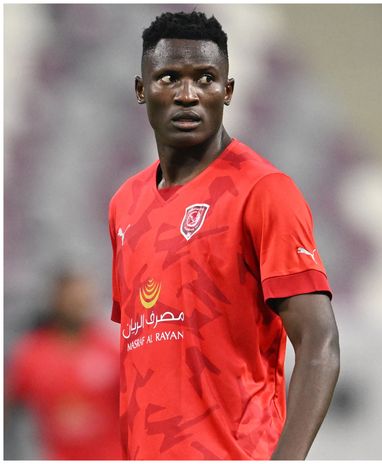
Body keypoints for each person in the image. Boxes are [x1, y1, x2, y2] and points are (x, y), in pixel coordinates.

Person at [109, 11, 339, 459]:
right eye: (169, 77)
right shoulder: (123, 204)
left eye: (206, 79)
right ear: (141, 90)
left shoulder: (265, 191)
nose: (188, 95)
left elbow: (319, 343)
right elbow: (142, 351)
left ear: (228, 91)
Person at [6, 270, 122, 459]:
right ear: (56, 301)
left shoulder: (111, 348)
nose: (79, 304)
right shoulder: (31, 354)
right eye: (72, 299)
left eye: (83, 298)